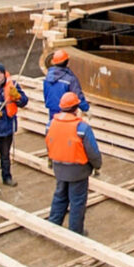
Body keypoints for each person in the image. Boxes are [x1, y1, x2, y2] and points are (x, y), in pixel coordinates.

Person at [46, 92, 102, 235]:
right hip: (78, 171)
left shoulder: (51, 124)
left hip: (59, 167)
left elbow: (49, 143)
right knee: (77, 202)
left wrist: (52, 161)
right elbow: (92, 151)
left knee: (60, 196)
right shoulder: (82, 128)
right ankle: (75, 233)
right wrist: (97, 165)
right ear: (76, 108)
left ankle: (53, 225)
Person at [44, 49, 89, 119]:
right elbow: (78, 96)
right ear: (67, 62)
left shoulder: (47, 78)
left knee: (54, 128)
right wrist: (85, 108)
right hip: (67, 111)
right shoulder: (70, 79)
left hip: (52, 111)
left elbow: (46, 95)